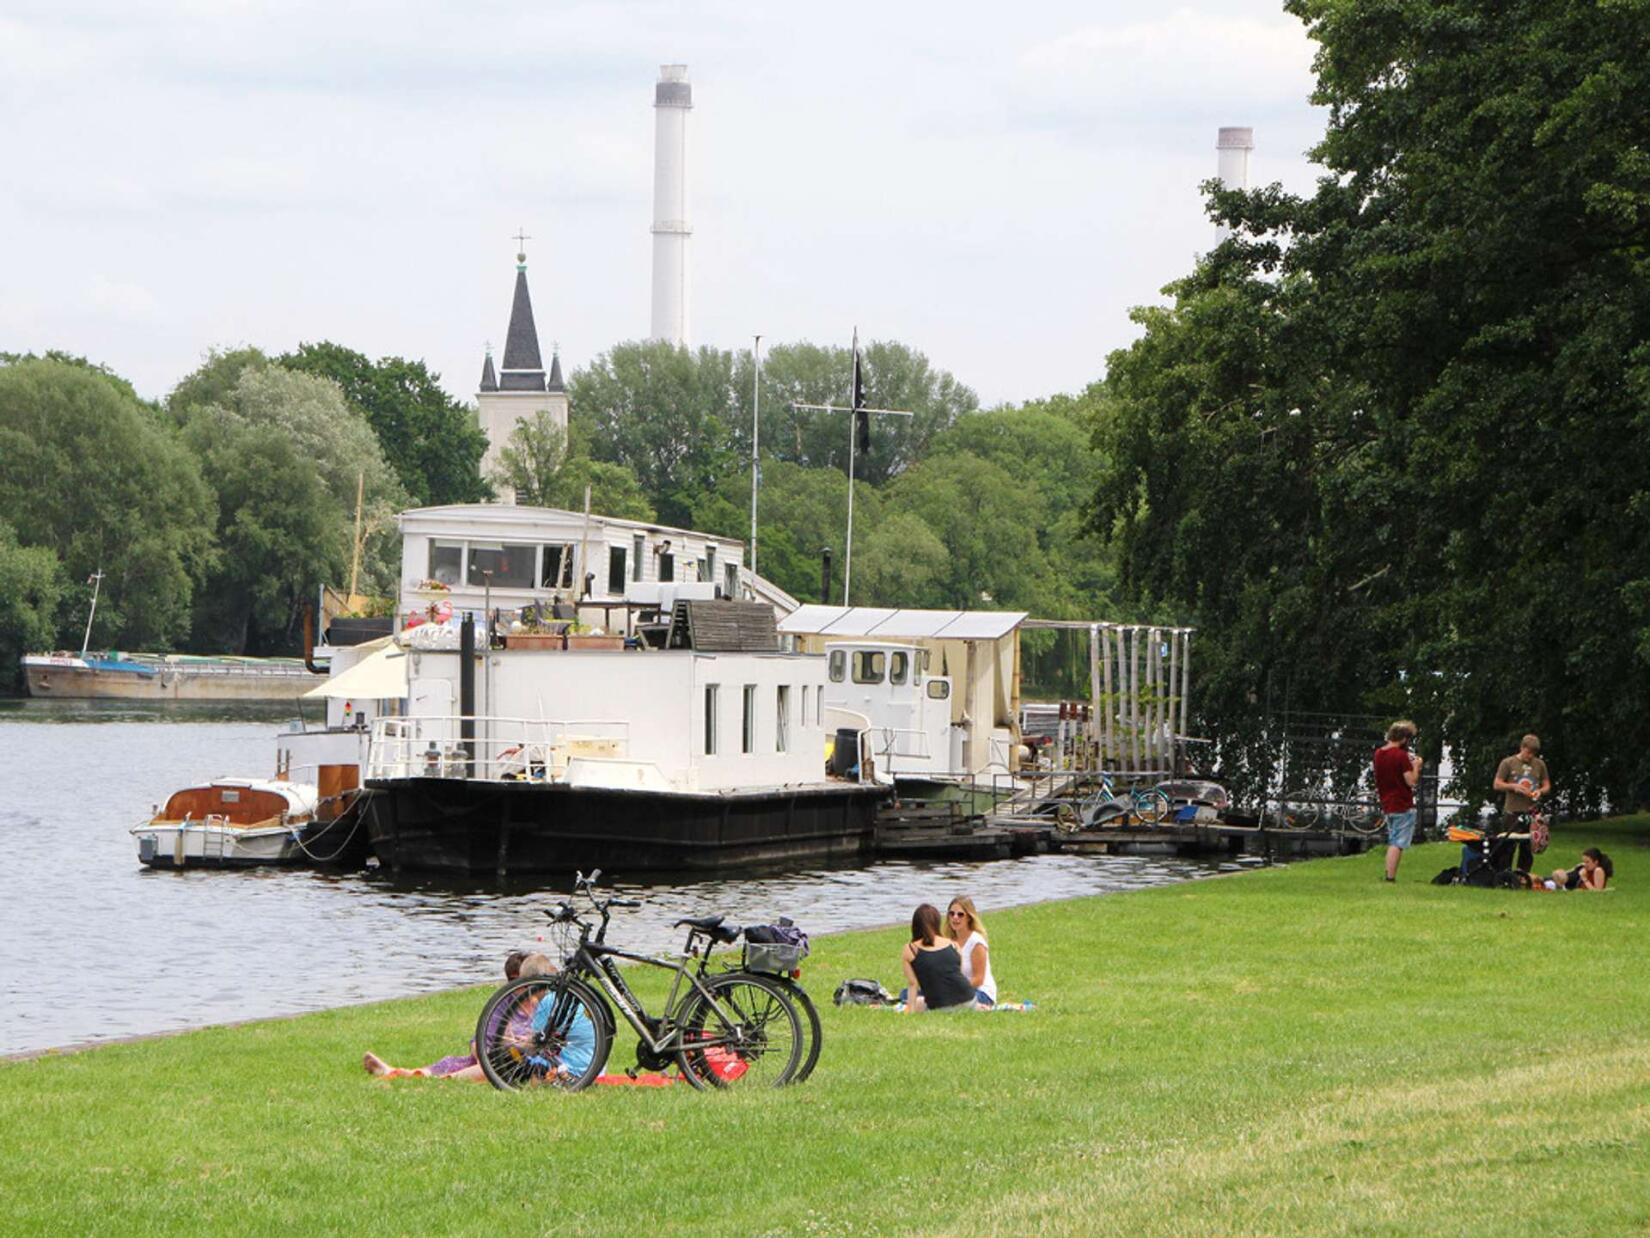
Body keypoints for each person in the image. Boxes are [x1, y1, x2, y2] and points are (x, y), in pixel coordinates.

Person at [363, 951, 551, 1081]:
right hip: (495, 1060)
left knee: (490, 1069)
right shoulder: (502, 1004)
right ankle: (397, 1072)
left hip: (522, 1063)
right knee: (488, 1067)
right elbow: (479, 1044)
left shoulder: (543, 1004)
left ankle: (396, 1072)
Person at [899, 904, 978, 1012]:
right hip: (969, 1000)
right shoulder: (953, 944)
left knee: (915, 1001)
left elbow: (913, 984)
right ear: (937, 923)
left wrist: (910, 1010)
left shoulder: (910, 949)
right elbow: (958, 975)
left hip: (941, 1007)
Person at [1372, 720, 1423, 881]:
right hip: (1402, 803)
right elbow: (1411, 781)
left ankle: (1388, 874)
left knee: (1392, 838)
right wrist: (1416, 766)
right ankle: (1390, 877)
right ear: (1404, 739)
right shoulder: (1401, 756)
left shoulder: (1379, 753)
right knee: (1398, 843)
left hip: (1387, 801)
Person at [1493, 734, 1551, 872]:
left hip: (1532, 812)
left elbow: (1547, 785)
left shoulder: (1539, 764)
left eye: (1533, 753)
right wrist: (1513, 787)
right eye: (1528, 752)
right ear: (1522, 748)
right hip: (1512, 811)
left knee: (1527, 847)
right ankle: (1505, 875)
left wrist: (1540, 791)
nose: (1530, 756)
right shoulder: (1508, 763)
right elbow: (1497, 784)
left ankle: (1522, 874)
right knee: (1508, 846)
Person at [941, 896, 997, 1007]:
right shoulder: (949, 941)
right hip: (957, 990)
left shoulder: (976, 942)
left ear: (969, 918)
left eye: (960, 914)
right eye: (951, 914)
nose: (955, 918)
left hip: (980, 992)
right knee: (908, 993)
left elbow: (978, 979)